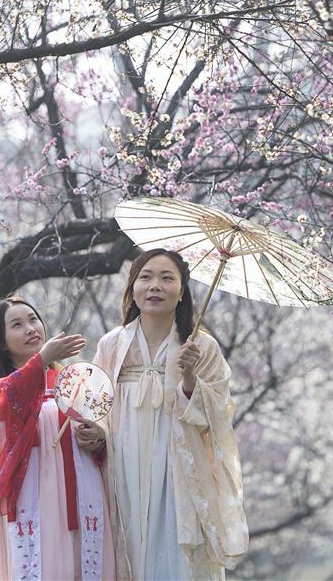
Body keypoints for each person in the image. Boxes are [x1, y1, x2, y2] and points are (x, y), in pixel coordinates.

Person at [92, 248, 248, 580]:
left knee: (173, 548)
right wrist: (96, 431)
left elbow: (219, 413)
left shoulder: (202, 347)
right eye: (145, 277)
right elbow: (96, 404)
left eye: (167, 278)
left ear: (181, 291)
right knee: (127, 540)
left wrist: (189, 376)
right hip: (124, 460)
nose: (155, 286)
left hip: (177, 463)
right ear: (132, 288)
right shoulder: (111, 344)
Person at [0, 296, 116, 580]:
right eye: (17, 324)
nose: (30, 328)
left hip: (81, 489)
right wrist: (42, 360)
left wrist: (98, 437)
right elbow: (3, 405)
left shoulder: (71, 379)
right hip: (32, 493)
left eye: (33, 319)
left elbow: (100, 429)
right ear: (0, 341)